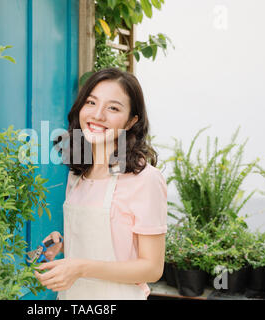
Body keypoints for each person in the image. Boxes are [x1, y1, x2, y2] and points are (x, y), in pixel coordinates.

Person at [34, 67, 168, 300]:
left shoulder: (145, 179)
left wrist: (80, 267)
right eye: (91, 103)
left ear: (131, 121)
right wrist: (64, 245)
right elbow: (114, 245)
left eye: (113, 108)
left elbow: (152, 268)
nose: (97, 115)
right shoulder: (77, 175)